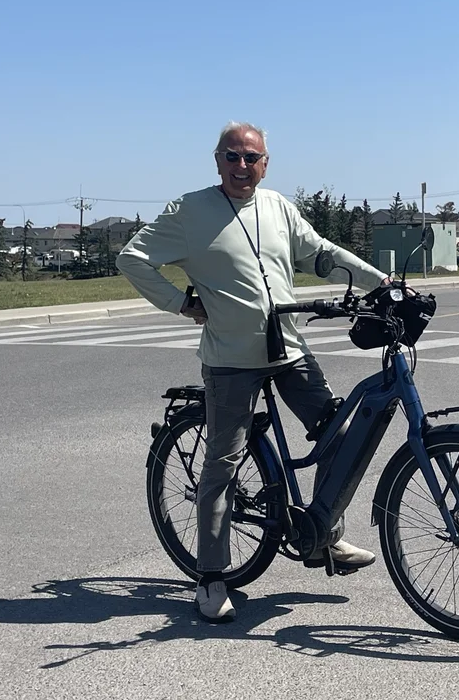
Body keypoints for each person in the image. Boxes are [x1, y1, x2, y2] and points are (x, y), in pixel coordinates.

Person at [116, 120, 393, 623]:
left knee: (340, 434)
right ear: (217, 160)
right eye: (233, 156)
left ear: (266, 164)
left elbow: (321, 254)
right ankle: (211, 576)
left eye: (252, 158)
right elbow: (132, 257)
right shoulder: (189, 211)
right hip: (230, 359)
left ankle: (323, 537)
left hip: (288, 349)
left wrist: (381, 283)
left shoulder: (278, 207)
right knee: (223, 463)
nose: (242, 166)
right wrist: (180, 302)